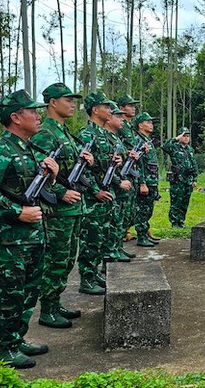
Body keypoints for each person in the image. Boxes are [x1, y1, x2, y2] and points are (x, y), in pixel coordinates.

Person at [0, 89, 59, 369]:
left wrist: (52, 177)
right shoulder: (0, 149)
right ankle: (5, 349)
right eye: (32, 111)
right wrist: (16, 212)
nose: (38, 115)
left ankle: (17, 337)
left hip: (32, 235)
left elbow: (34, 191)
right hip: (7, 239)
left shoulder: (30, 149)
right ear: (16, 117)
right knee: (10, 293)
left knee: (29, 291)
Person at [29, 83, 92, 328]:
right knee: (55, 260)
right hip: (57, 210)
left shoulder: (65, 132)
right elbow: (38, 172)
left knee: (66, 260)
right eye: (68, 99)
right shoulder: (46, 133)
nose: (73, 104)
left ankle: (55, 303)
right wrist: (60, 191)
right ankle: (47, 309)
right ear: (53, 102)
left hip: (73, 209)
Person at [77, 91, 125, 295]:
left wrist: (117, 163)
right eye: (106, 107)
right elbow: (81, 170)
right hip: (92, 197)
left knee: (101, 237)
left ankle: (94, 271)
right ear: (95, 110)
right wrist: (95, 191)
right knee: (91, 237)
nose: (110, 110)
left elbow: (103, 165)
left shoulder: (105, 135)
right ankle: (86, 278)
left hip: (106, 193)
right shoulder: (86, 134)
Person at [102, 103, 136, 261]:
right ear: (108, 119)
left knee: (119, 219)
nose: (122, 119)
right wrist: (118, 181)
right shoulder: (104, 137)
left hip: (120, 185)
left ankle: (118, 247)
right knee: (111, 222)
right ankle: (112, 251)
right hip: (110, 187)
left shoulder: (115, 138)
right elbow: (102, 167)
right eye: (118, 116)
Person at [115, 94, 142, 250]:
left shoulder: (130, 128)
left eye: (134, 105)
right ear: (121, 108)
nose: (133, 107)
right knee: (122, 210)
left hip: (131, 171)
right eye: (130, 105)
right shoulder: (120, 126)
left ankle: (122, 235)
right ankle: (118, 240)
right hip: (122, 173)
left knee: (130, 210)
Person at [133, 112, 160, 246]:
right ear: (140, 125)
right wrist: (142, 183)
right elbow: (139, 164)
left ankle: (145, 233)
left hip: (152, 180)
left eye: (151, 122)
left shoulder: (147, 141)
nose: (151, 124)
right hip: (146, 182)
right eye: (148, 122)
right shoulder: (138, 141)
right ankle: (141, 236)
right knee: (142, 210)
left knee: (148, 209)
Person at [162, 127, 198, 228]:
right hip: (177, 180)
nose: (186, 138)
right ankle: (174, 222)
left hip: (188, 180)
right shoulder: (174, 147)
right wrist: (176, 138)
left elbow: (194, 164)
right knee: (176, 202)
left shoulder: (190, 149)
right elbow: (165, 147)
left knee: (185, 202)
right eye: (184, 136)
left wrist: (195, 179)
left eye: (188, 136)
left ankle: (181, 221)